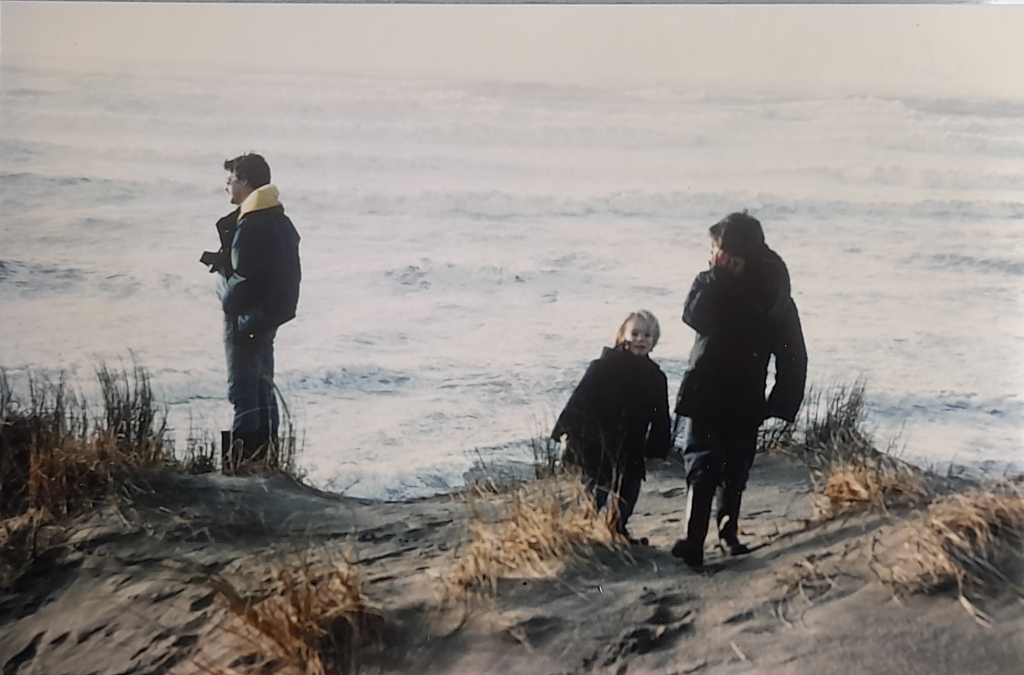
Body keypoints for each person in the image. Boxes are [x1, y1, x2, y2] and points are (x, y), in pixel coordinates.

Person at [671, 212, 807, 569]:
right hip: (707, 389)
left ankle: (727, 534)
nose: (711, 253)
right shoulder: (709, 281)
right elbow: (694, 316)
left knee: (735, 465)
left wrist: (783, 400)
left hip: (743, 394)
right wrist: (716, 278)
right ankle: (694, 539)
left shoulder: (774, 295)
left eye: (717, 248)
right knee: (702, 462)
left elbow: (792, 352)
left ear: (736, 256)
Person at [200, 153, 301, 467]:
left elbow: (245, 279)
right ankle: (268, 467)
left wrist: (227, 297)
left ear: (245, 182)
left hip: (244, 320)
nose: (227, 186)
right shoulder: (277, 219)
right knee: (262, 390)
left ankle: (241, 474)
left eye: (230, 180)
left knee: (243, 394)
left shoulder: (253, 224)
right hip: (267, 317)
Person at [551, 310, 672, 543]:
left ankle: (617, 529)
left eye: (646, 335)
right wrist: (566, 431)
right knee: (596, 489)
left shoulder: (656, 377)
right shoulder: (604, 367)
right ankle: (580, 534)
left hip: (632, 445)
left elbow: (660, 416)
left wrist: (659, 445)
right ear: (622, 336)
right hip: (597, 442)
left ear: (654, 340)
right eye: (635, 333)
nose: (640, 339)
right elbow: (580, 399)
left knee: (629, 491)